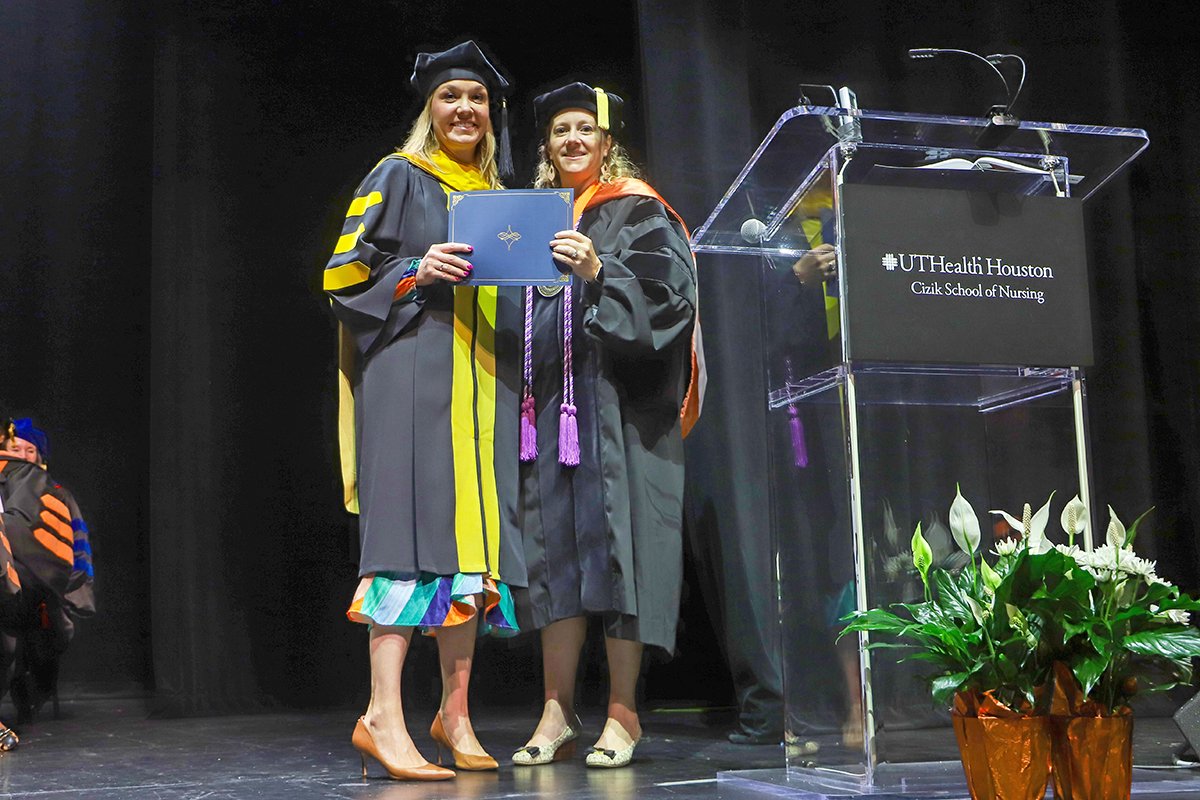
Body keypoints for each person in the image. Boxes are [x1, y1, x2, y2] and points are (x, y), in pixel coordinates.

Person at [322, 41, 525, 782]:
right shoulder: (398, 176)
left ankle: (454, 715)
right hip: (410, 377)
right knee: (407, 540)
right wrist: (414, 269)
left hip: (482, 385)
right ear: (429, 110)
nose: (465, 108)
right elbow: (343, 273)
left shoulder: (504, 204)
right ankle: (382, 716)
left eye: (477, 97)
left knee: (470, 555)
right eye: (450, 97)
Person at [511, 82, 699, 769]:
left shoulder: (640, 213)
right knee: (552, 557)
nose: (572, 140)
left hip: (619, 411)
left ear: (608, 143)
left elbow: (670, 304)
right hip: (550, 411)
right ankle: (556, 710)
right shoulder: (530, 220)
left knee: (622, 560)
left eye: (585, 129)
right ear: (546, 147)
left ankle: (623, 713)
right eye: (560, 130)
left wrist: (599, 270)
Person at [0, 416, 95, 727]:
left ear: (40, 457)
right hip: (9, 587)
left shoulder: (57, 495)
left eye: (29, 451)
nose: (20, 456)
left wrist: (67, 591)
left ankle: (32, 690)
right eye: (14, 448)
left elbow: (75, 553)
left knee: (54, 633)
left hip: (45, 592)